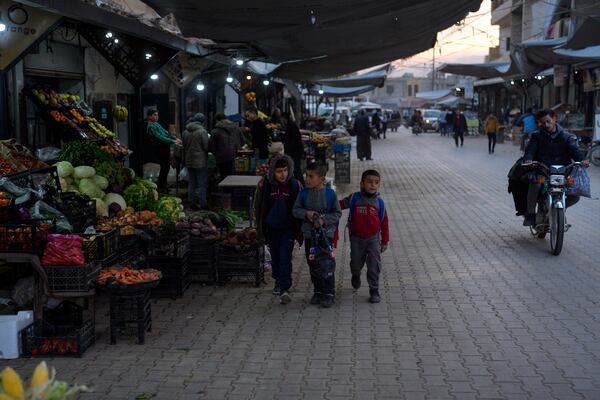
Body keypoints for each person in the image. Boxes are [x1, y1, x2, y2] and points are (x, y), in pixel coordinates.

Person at [521, 109, 589, 226]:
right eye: (543, 123)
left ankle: (558, 211)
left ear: (554, 119)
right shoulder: (536, 136)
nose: (546, 125)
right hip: (543, 172)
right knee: (535, 185)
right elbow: (530, 150)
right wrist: (528, 159)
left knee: (575, 196)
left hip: (562, 173)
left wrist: (582, 160)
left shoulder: (566, 137)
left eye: (548, 121)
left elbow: (574, 151)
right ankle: (531, 214)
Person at [293, 162, 342, 308]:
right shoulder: (303, 194)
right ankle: (318, 291)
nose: (307, 179)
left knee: (326, 263)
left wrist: (323, 220)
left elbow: (337, 213)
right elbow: (295, 210)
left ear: (322, 179)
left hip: (326, 236)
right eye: (306, 175)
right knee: (312, 263)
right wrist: (307, 214)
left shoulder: (330, 194)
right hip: (309, 236)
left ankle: (329, 292)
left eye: (311, 176)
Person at [255, 155, 302, 304]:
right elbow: (259, 207)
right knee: (275, 257)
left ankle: (285, 288)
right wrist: (260, 228)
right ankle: (278, 280)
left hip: (288, 228)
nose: (283, 174)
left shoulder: (294, 185)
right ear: (272, 172)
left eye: (285, 170)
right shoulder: (266, 186)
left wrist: (299, 231)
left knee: (284, 258)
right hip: (271, 228)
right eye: (279, 171)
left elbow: (299, 207)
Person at [339, 169, 389, 304]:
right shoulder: (354, 198)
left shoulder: (380, 203)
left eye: (376, 183)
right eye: (369, 182)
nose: (373, 185)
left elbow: (384, 222)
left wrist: (384, 240)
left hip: (373, 239)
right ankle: (356, 274)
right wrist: (328, 205)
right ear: (362, 184)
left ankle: (374, 290)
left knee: (374, 265)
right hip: (356, 239)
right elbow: (340, 205)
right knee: (356, 263)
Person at [146, 109, 181, 192]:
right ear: (149, 116)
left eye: (157, 115)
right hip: (160, 149)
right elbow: (159, 137)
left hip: (164, 148)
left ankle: (163, 185)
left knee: (166, 167)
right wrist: (172, 141)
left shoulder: (156, 124)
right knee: (164, 167)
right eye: (154, 115)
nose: (157, 116)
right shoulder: (151, 126)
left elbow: (165, 133)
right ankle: (161, 187)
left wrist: (174, 138)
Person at [181, 113, 209, 209]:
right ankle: (203, 204)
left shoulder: (185, 132)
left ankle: (192, 204)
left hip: (189, 160)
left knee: (191, 183)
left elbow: (183, 146)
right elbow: (206, 146)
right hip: (200, 161)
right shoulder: (202, 131)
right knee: (202, 184)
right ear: (202, 121)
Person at [209, 113, 245, 180]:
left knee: (223, 176)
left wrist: (216, 153)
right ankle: (231, 189)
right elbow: (242, 142)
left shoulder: (215, 131)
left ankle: (226, 190)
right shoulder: (236, 128)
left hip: (220, 158)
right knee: (232, 176)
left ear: (217, 120)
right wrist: (236, 147)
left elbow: (211, 146)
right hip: (233, 156)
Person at [280, 112, 305, 185]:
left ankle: (301, 185)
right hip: (293, 153)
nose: (281, 121)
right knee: (294, 170)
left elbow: (292, 141)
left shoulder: (292, 127)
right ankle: (297, 185)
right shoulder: (290, 126)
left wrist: (288, 150)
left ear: (284, 119)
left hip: (294, 153)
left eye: (282, 119)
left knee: (296, 170)